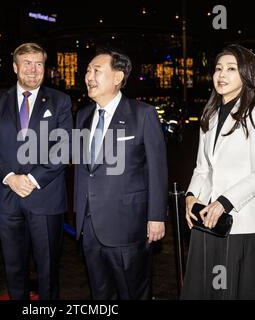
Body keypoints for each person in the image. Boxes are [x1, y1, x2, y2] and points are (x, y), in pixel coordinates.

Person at [73, 48, 168, 300]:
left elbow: (158, 169)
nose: (88, 76)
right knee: (100, 294)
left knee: (133, 292)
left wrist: (156, 216)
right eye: (87, 70)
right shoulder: (82, 116)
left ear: (117, 78)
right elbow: (85, 170)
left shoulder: (143, 114)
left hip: (128, 225)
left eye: (96, 70)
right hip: (90, 227)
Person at [0, 43, 72, 300]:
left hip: (45, 197)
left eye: (39, 64)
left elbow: (63, 148)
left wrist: (31, 179)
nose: (33, 70)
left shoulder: (60, 100)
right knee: (13, 269)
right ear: (15, 67)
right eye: (27, 63)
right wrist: (11, 178)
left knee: (48, 269)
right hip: (6, 198)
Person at [181, 44, 255, 299]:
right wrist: (190, 196)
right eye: (219, 68)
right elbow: (202, 167)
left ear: (247, 74)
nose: (222, 74)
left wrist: (224, 202)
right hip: (206, 220)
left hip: (239, 222)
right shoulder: (209, 116)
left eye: (231, 69)